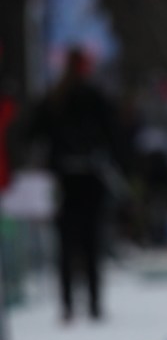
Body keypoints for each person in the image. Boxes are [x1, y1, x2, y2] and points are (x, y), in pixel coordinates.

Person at [29, 46, 121, 321]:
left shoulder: (55, 97)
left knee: (66, 244)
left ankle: (68, 303)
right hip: (89, 177)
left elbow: (34, 133)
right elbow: (113, 133)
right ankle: (92, 302)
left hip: (65, 178)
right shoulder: (92, 96)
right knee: (91, 242)